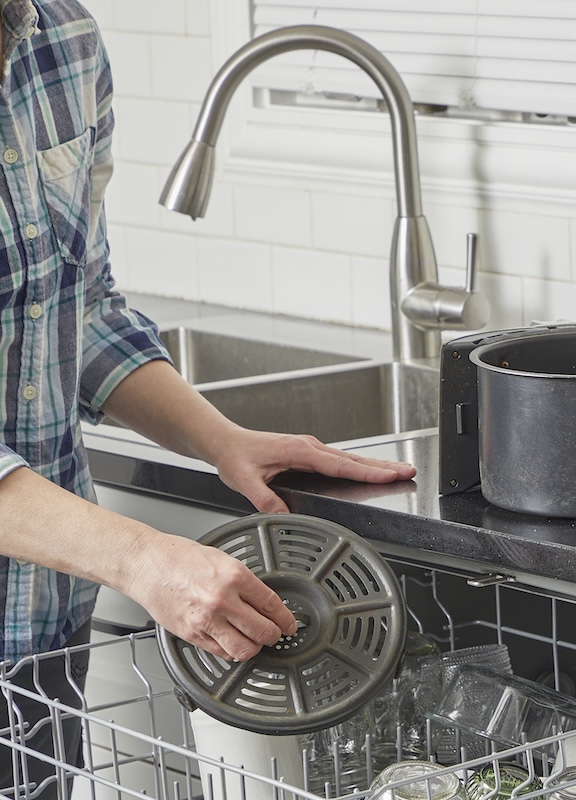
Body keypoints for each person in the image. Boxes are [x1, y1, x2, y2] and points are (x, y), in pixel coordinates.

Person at [0, 0, 416, 795]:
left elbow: (77, 305)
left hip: (38, 639)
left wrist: (219, 437)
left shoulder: (62, 41)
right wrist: (141, 557)